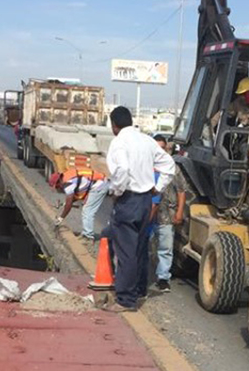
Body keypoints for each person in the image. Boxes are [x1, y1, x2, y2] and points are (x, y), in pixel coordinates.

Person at [104, 106, 176, 312]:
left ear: (114, 125)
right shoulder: (146, 141)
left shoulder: (119, 143)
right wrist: (158, 187)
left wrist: (116, 192)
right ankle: (139, 290)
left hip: (129, 199)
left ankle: (125, 300)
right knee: (139, 248)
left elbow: (122, 170)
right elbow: (169, 166)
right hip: (146, 200)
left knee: (125, 252)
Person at [150, 135, 186, 292]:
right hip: (147, 215)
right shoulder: (145, 166)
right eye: (156, 148)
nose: (159, 151)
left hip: (166, 214)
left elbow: (181, 190)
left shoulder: (173, 168)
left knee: (165, 248)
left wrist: (179, 212)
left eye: (162, 148)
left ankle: (163, 278)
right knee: (143, 246)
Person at [49, 166, 109, 240]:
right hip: (96, 183)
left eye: (58, 187)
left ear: (59, 182)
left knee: (87, 210)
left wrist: (61, 218)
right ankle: (86, 234)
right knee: (86, 209)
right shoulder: (66, 176)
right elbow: (72, 199)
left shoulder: (68, 183)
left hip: (99, 185)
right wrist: (65, 203)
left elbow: (69, 203)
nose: (59, 189)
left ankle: (88, 237)